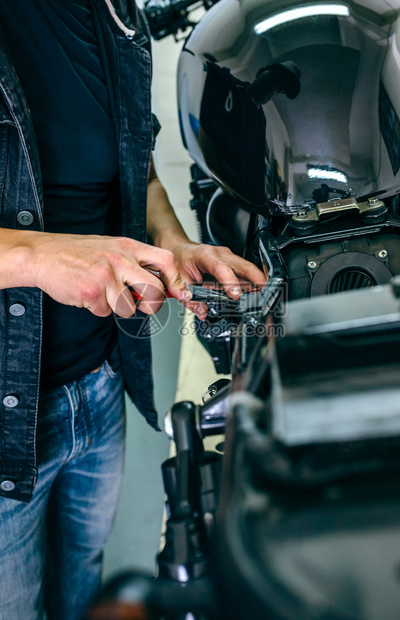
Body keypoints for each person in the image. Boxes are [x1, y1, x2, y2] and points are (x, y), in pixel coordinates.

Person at [0, 1, 266, 619]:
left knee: (82, 590)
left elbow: (133, 165)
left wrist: (172, 243)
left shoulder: (116, 15)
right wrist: (36, 256)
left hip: (100, 384)